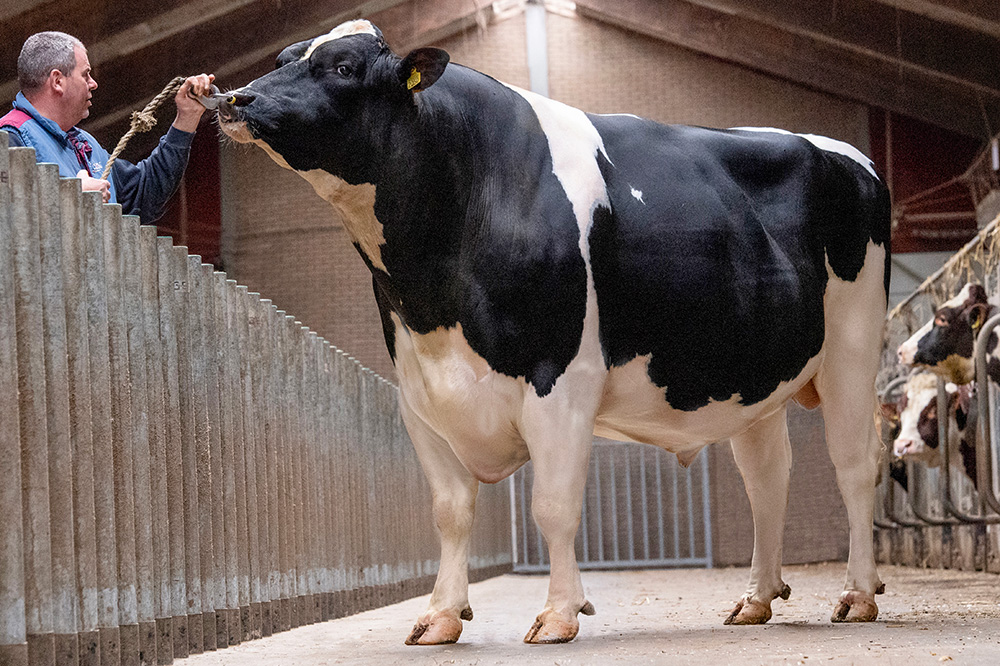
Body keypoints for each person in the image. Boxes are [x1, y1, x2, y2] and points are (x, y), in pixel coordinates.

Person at [1, 31, 215, 224]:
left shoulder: (83, 143)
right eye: (85, 74)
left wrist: (187, 118)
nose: (93, 83)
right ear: (57, 81)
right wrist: (68, 195)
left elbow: (143, 193)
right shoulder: (9, 136)